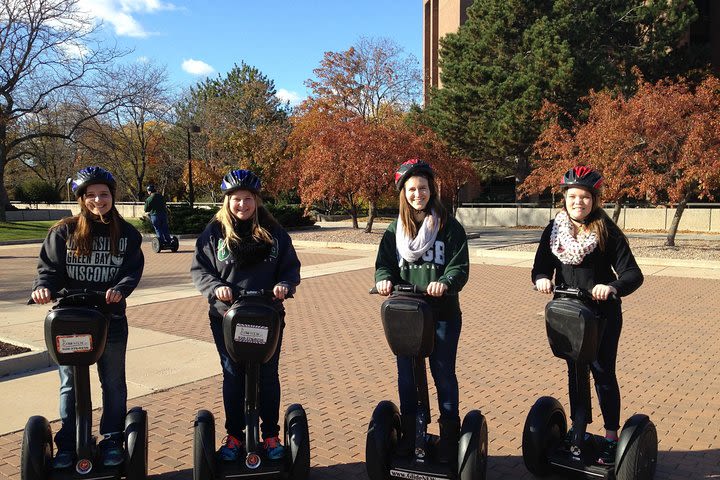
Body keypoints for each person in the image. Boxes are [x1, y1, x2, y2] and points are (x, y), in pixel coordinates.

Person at [31, 166, 145, 469]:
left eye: (103, 194)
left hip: (110, 320)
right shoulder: (63, 231)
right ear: (82, 198)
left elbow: (132, 270)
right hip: (70, 321)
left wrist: (120, 289)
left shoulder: (128, 234)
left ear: (112, 196)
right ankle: (68, 444)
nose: (98, 200)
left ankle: (111, 440)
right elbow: (48, 270)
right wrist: (43, 288)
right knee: (69, 383)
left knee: (113, 382)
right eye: (91, 195)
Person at [531, 166, 644, 466]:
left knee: (602, 372)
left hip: (601, 315)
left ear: (594, 200)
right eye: (572, 196)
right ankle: (578, 429)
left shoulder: (605, 230)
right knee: (575, 372)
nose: (578, 202)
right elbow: (540, 266)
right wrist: (542, 278)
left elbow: (633, 274)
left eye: (584, 197)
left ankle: (610, 436)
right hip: (568, 315)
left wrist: (611, 287)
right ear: (564, 198)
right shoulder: (553, 231)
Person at [191, 169, 301, 462]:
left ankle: (270, 435)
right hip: (227, 317)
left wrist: (285, 284)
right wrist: (216, 288)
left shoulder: (273, 232)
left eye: (248, 199)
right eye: (237, 199)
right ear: (227, 202)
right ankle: (235, 436)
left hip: (267, 315)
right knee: (233, 376)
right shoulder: (214, 233)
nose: (242, 205)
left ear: (256, 200)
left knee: (267, 374)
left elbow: (290, 267)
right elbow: (200, 269)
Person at [374, 158, 470, 464]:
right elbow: (383, 265)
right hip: (406, 315)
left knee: (442, 373)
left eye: (423, 188)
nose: (418, 194)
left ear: (432, 189)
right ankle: (412, 433)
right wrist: (384, 280)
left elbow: (459, 266)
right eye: (412, 189)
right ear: (403, 192)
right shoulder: (394, 230)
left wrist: (445, 282)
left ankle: (449, 434)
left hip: (441, 314)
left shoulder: (448, 226)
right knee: (407, 377)